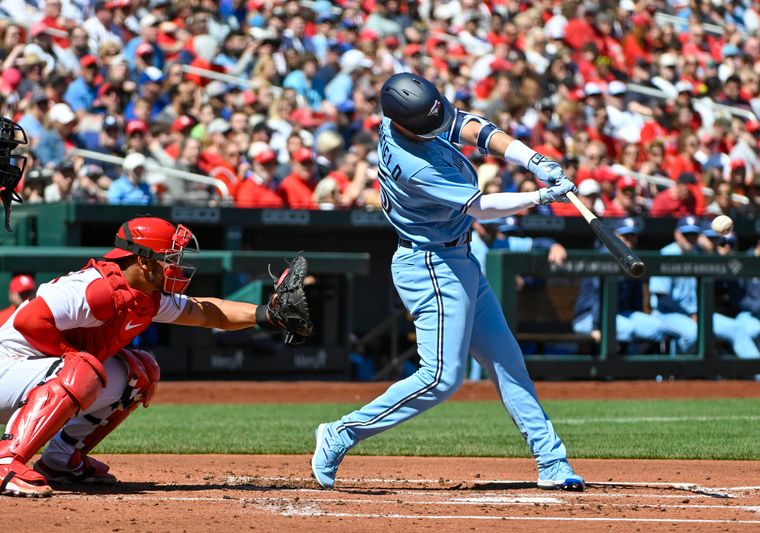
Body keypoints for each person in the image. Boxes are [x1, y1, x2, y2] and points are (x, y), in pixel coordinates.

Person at [311, 73, 584, 492]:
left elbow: (474, 128)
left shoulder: (414, 115)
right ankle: (341, 433)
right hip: (431, 265)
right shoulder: (411, 163)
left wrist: (532, 160)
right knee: (441, 377)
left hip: (459, 256)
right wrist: (540, 197)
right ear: (403, 122)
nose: (439, 125)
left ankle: (551, 460)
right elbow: (482, 207)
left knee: (507, 361)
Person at [0, 217, 311, 497]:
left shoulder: (144, 294)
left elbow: (204, 313)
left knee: (140, 371)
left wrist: (266, 315)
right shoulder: (95, 289)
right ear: (143, 261)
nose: (177, 265)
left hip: (37, 377)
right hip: (8, 368)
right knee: (82, 368)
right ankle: (6, 459)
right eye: (170, 258)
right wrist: (74, 357)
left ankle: (60, 461)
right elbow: (29, 321)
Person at [467, 216, 569, 379]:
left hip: (496, 310)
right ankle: (474, 387)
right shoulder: (467, 245)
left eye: (493, 225)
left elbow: (537, 243)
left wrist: (554, 245)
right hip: (470, 308)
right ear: (475, 224)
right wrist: (506, 276)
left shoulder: (503, 243)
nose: (490, 229)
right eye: (486, 226)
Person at [648, 216, 760, 357]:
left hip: (697, 314)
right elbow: (662, 298)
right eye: (686, 235)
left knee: (737, 329)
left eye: (694, 235)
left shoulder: (698, 253)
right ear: (677, 234)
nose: (690, 238)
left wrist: (712, 247)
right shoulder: (666, 254)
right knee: (693, 333)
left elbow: (729, 266)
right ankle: (676, 373)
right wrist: (690, 315)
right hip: (668, 314)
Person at [572, 217, 670, 351]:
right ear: (616, 236)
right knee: (626, 329)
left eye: (632, 236)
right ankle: (617, 371)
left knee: (657, 328)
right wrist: (596, 327)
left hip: (620, 314)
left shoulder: (633, 258)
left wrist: (638, 316)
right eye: (625, 236)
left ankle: (648, 370)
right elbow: (597, 297)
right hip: (588, 317)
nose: (629, 240)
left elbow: (636, 297)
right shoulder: (604, 256)